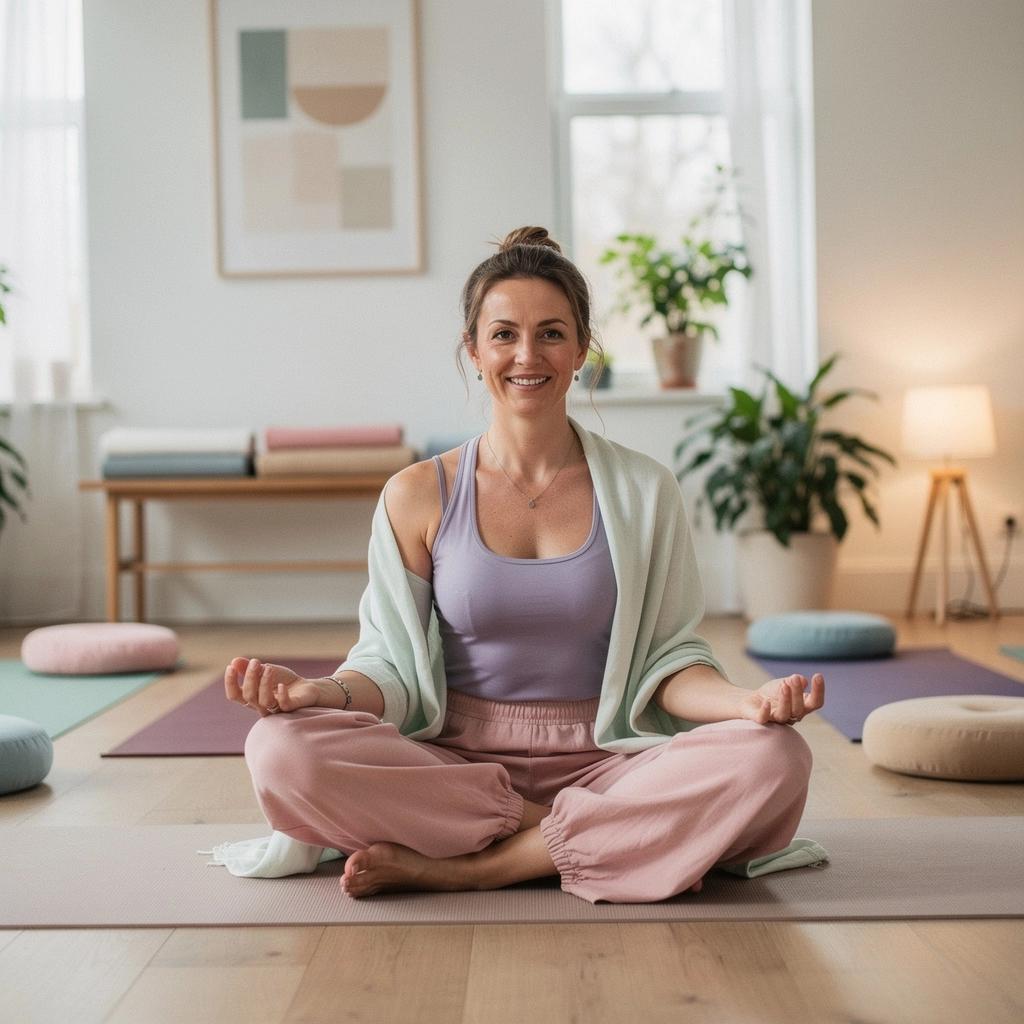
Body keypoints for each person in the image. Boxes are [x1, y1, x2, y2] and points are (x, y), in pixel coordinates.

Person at [224, 226, 826, 904]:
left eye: (551, 333)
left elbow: (669, 662)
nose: (527, 355)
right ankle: (587, 838)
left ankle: (474, 866)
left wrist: (746, 705)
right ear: (473, 351)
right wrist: (319, 695)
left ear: (581, 352)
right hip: (453, 765)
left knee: (775, 756)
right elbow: (388, 665)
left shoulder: (643, 490)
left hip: (611, 762)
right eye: (504, 334)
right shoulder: (419, 493)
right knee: (280, 749)